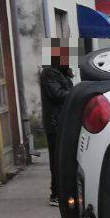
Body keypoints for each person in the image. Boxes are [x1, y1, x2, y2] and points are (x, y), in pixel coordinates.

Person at [39, 39, 73, 205]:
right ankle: (56, 194)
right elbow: (58, 94)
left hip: (61, 121)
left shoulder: (61, 71)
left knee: (63, 159)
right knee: (57, 160)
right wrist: (76, 93)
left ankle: (63, 192)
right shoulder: (49, 73)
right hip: (55, 123)